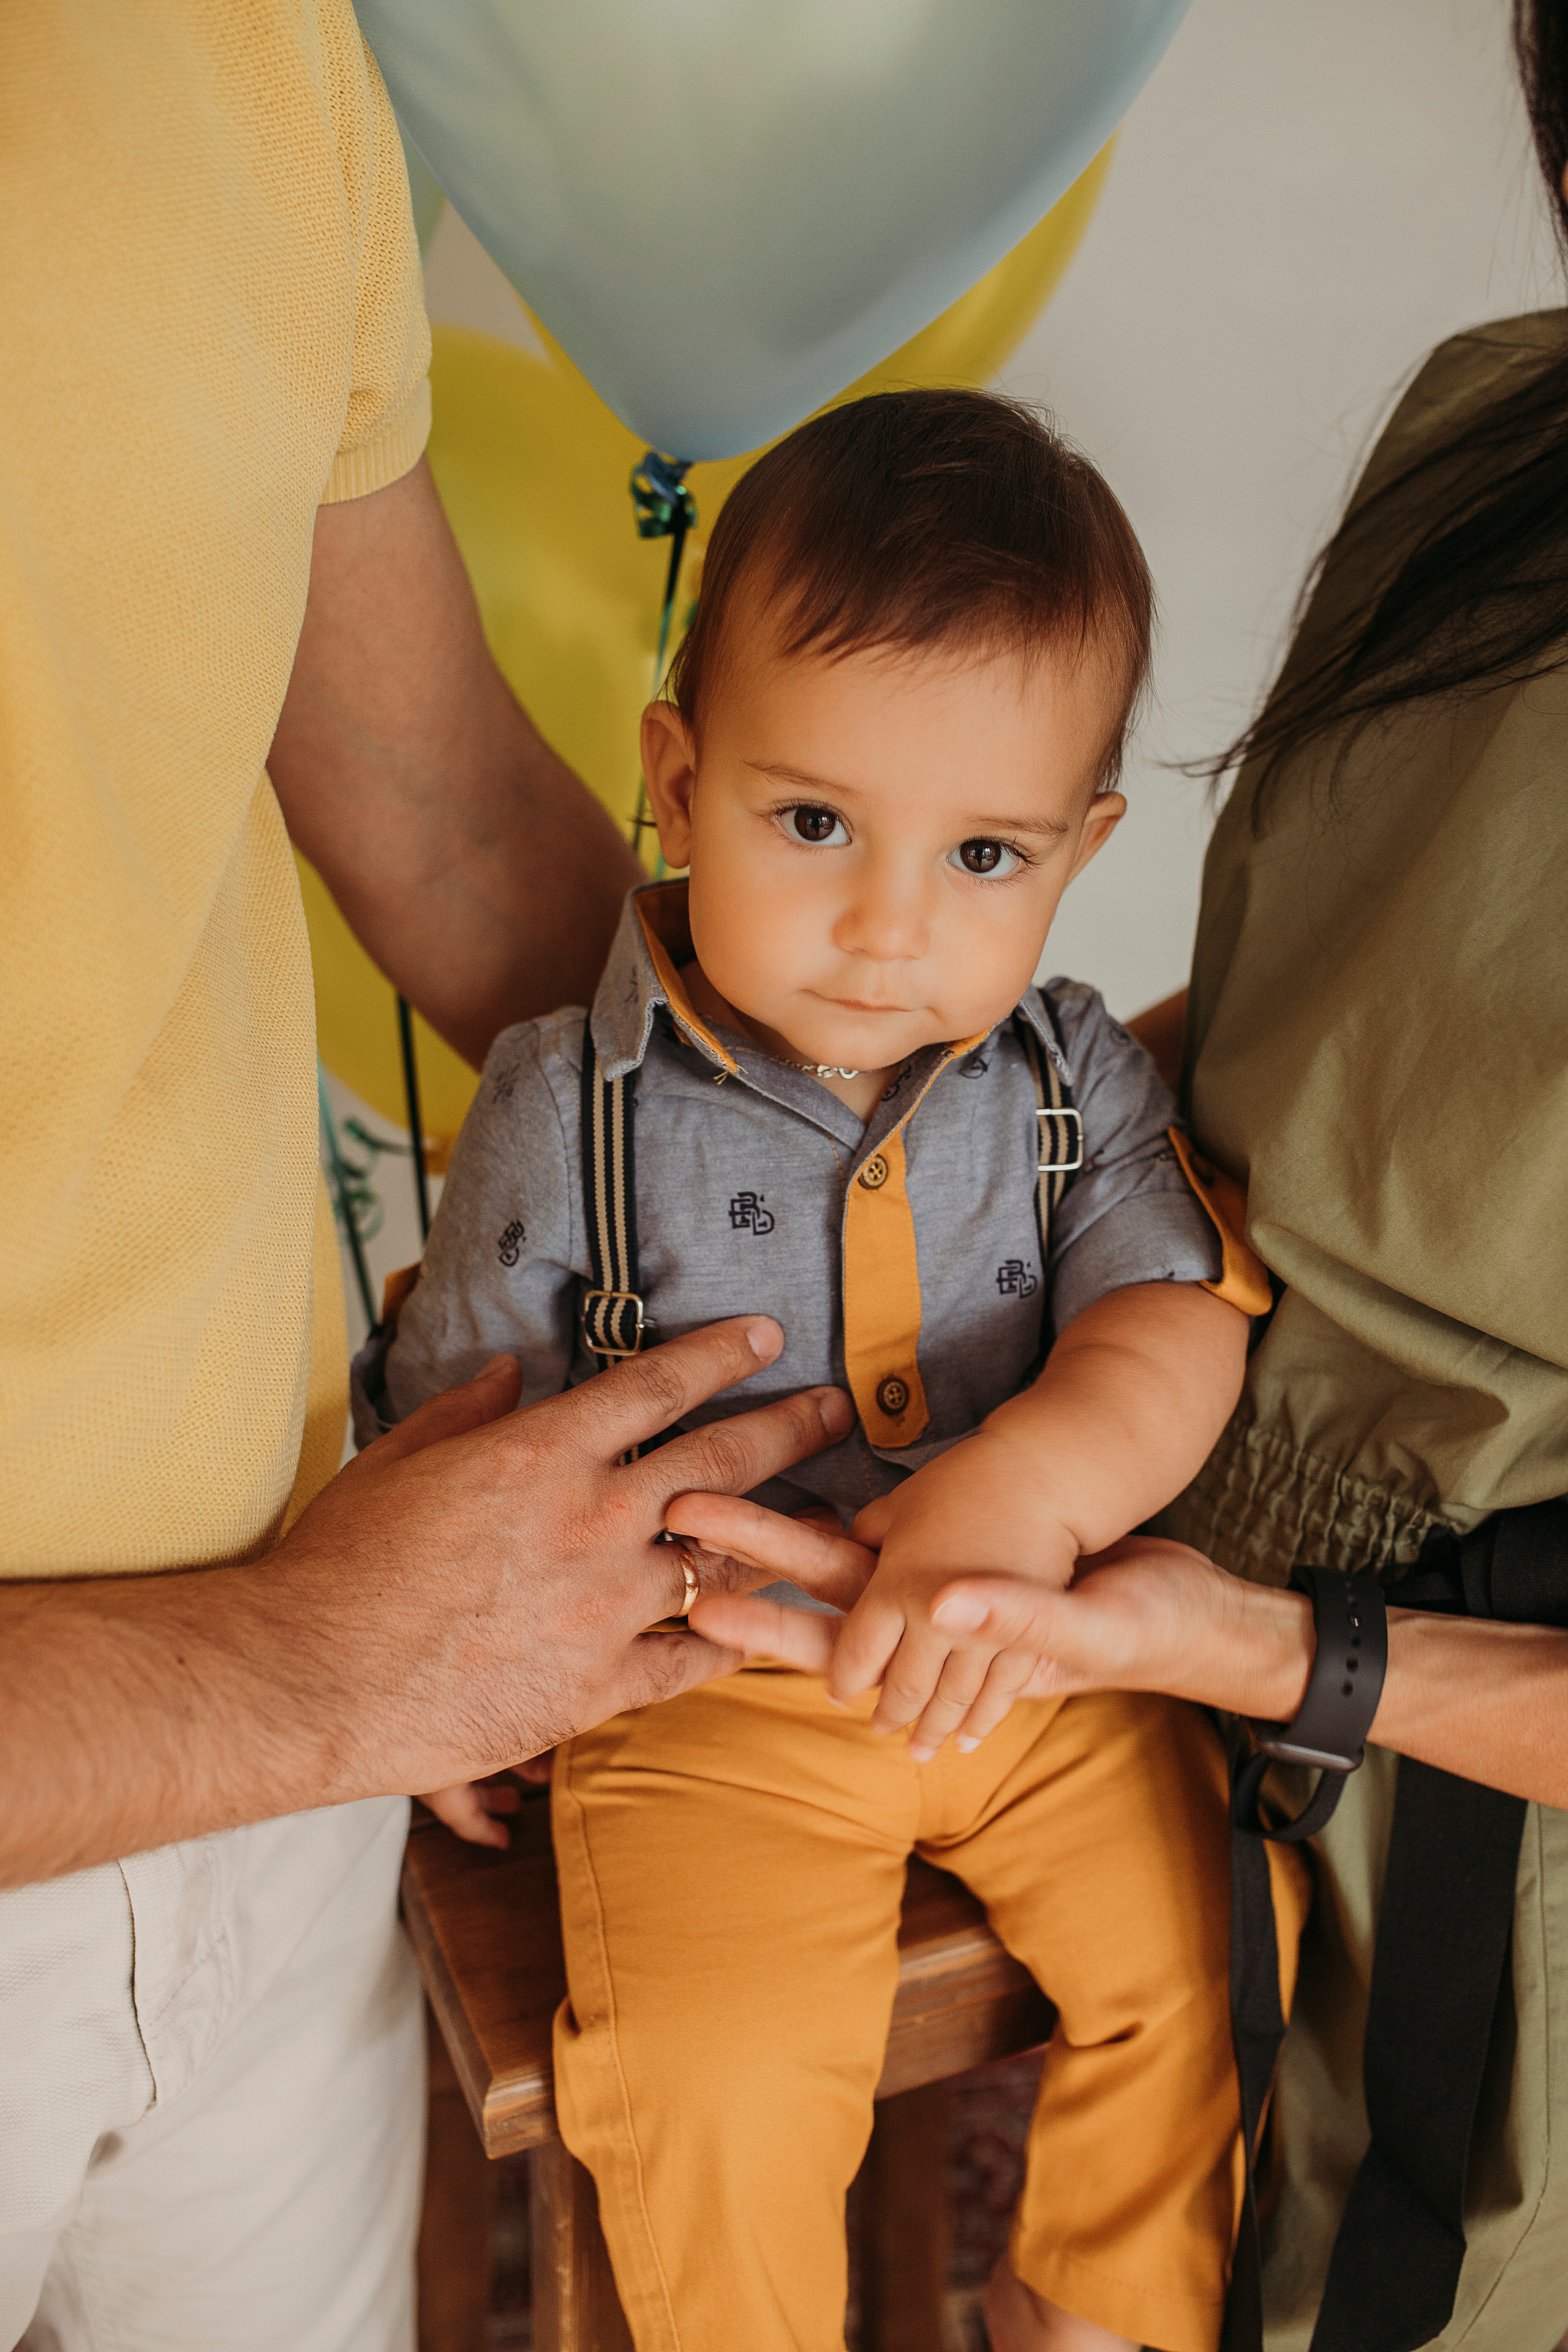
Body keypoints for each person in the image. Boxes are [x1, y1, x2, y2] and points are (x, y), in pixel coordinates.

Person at [695, 8, 1568, 2348]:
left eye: (993, 853)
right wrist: (958, 1109)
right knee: (747, 2071)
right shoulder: (1506, 422)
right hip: (1152, 1584)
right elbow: (1316, 1019)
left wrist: (1225, 1614)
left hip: (1460, 1752)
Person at [0, 9, 855, 2347]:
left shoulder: (243, 47)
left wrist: (913, 1139)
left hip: (305, 1731)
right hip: (289, 1674)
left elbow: (450, 816)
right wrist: (307, 1669)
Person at [373, 388, 1294, 2352]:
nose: (892, 930)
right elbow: (455, 1418)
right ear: (677, 783)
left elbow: (1174, 1314)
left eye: (984, 853)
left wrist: (1031, 1487)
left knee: (1224, 1948)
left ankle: (1090, 2316)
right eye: (813, 825)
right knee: (700, 2075)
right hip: (703, 1676)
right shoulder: (576, 1107)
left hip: (1028, 1663)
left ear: (1081, 852)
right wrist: (433, 1670)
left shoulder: (1065, 1083)